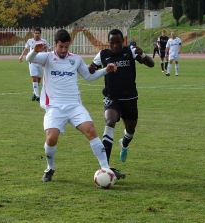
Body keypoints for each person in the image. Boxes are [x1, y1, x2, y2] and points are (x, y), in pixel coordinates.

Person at [26, 29, 118, 182]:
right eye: (60, 46)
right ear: (55, 44)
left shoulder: (75, 59)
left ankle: (106, 168)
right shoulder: (47, 58)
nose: (63, 50)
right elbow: (30, 58)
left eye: (66, 47)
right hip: (54, 107)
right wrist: (34, 51)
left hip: (74, 106)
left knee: (91, 130)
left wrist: (105, 70)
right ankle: (50, 168)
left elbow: (88, 76)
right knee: (51, 137)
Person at [89, 29, 154, 177]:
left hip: (130, 99)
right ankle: (105, 166)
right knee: (110, 120)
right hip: (112, 98)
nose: (115, 45)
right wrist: (91, 68)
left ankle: (124, 144)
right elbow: (90, 70)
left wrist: (142, 54)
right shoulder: (103, 54)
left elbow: (151, 64)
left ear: (122, 41)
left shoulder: (130, 51)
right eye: (112, 42)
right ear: (109, 42)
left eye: (118, 42)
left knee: (130, 131)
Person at [19, 27, 51, 102]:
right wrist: (21, 56)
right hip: (32, 62)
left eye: (38, 33)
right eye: (35, 33)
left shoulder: (44, 41)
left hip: (40, 62)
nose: (37, 34)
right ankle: (37, 96)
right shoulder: (30, 41)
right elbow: (26, 49)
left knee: (39, 79)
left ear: (40, 34)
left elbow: (48, 50)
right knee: (34, 77)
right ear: (33, 33)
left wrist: (48, 57)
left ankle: (34, 93)